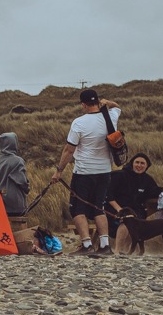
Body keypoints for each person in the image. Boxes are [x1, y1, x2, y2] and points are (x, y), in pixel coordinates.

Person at [51, 89, 119, 255]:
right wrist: (107, 103)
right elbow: (117, 106)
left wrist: (59, 171)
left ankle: (87, 245)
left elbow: (69, 150)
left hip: (84, 172)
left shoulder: (79, 123)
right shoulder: (111, 116)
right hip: (104, 170)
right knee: (99, 207)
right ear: (97, 102)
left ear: (83, 104)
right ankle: (104, 245)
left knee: (77, 209)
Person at [108, 153, 163, 255]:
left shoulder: (147, 179)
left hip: (137, 210)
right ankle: (116, 250)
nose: (139, 165)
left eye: (142, 163)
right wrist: (119, 209)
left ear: (147, 166)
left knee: (136, 222)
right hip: (115, 208)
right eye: (137, 162)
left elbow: (155, 192)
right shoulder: (119, 175)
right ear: (132, 163)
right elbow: (109, 195)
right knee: (127, 220)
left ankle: (125, 250)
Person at [0, 133, 30, 217]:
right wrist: (27, 188)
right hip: (16, 204)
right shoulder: (18, 161)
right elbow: (22, 181)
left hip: (0, 202)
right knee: (21, 224)